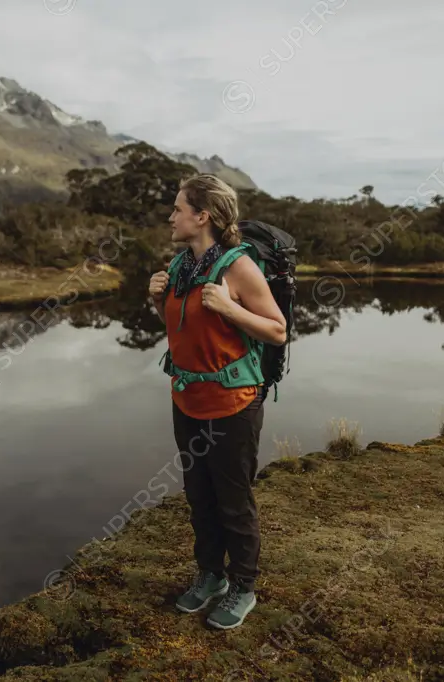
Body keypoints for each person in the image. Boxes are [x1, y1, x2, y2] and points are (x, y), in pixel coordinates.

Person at [148, 173, 287, 630]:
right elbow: (183, 327)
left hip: (233, 404)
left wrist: (230, 307)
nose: (171, 216)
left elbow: (277, 329)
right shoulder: (179, 265)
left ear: (202, 216)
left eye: (178, 208)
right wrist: (156, 300)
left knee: (233, 499)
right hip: (187, 399)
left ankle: (243, 586)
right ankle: (210, 576)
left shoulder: (238, 267)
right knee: (198, 494)